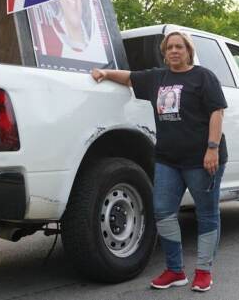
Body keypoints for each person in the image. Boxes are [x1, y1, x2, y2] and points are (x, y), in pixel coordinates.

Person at [91, 31, 228, 292]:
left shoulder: (203, 76)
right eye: (170, 47)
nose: (174, 51)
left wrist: (212, 149)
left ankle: (203, 271)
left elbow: (217, 112)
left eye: (179, 47)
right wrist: (106, 73)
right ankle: (175, 270)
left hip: (202, 159)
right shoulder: (157, 78)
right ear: (164, 53)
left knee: (207, 214)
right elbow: (130, 78)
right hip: (168, 160)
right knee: (163, 212)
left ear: (188, 51)